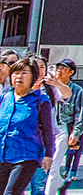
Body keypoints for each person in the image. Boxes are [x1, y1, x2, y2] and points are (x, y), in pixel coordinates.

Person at [0, 57, 54, 195]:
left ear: (33, 77)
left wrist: (48, 154)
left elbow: (47, 130)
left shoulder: (40, 100)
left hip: (26, 156)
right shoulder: (5, 98)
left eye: (24, 73)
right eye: (16, 73)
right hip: (2, 155)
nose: (19, 76)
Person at [44, 59, 83, 195]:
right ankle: (59, 183)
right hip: (45, 129)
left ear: (71, 72)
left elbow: (81, 113)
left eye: (63, 68)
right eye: (58, 67)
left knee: (54, 163)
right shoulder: (48, 85)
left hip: (63, 128)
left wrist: (76, 133)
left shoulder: (76, 90)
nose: (59, 70)